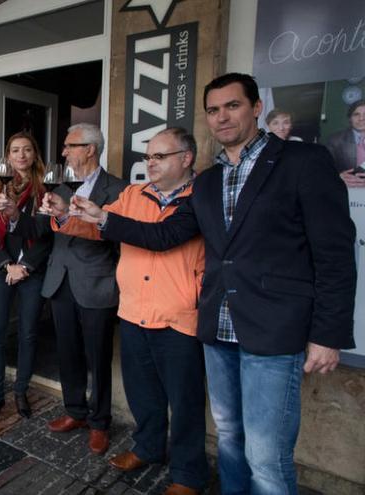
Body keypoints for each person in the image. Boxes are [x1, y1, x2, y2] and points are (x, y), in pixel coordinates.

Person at [73, 73, 355, 494]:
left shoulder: (304, 161)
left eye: (233, 106)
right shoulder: (207, 181)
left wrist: (328, 334)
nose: (222, 117)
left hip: (273, 330)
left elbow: (334, 251)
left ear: (256, 107)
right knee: (229, 439)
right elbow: (164, 236)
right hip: (218, 329)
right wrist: (102, 218)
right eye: (213, 110)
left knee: (267, 454)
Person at [47, 127, 207, 495]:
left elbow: (160, 236)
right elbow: (98, 229)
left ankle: (187, 475)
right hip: (134, 310)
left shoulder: (202, 197)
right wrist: (66, 216)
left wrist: (101, 218)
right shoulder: (135, 194)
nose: (150, 163)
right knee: (142, 391)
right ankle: (148, 447)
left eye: (159, 157)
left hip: (178, 314)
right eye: (148, 157)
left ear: (186, 158)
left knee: (184, 401)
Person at [39, 123, 126, 455]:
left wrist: (66, 218)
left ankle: (100, 422)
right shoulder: (60, 187)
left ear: (90, 149)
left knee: (98, 356)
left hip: (97, 283)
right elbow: (53, 229)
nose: (64, 152)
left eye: (69, 146)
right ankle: (74, 411)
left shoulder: (118, 190)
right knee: (67, 351)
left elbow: (114, 236)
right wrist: (47, 214)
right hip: (61, 280)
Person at [0, 132, 52, 423]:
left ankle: (21, 390)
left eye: (27, 150)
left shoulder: (46, 190)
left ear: (34, 154)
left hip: (32, 271)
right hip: (0, 269)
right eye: (15, 150)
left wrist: (26, 267)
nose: (21, 155)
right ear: (7, 156)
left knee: (28, 334)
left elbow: (45, 235)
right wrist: (8, 264)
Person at [328, 99, 365, 187]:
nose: (361, 118)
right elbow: (322, 168)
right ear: (350, 118)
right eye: (356, 114)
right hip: (346, 189)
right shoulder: (335, 140)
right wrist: (338, 177)